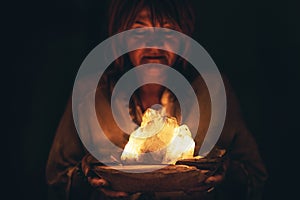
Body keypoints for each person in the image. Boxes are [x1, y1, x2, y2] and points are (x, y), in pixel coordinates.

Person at [46, 0, 268, 199]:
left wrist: (225, 176)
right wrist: (89, 178)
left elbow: (255, 178)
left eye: (168, 30)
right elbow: (56, 179)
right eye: (139, 31)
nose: (155, 46)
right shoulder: (92, 95)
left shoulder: (211, 93)